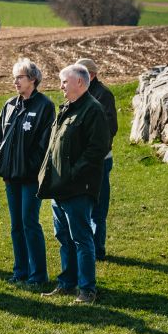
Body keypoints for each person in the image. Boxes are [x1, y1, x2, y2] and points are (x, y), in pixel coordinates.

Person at [38, 64, 111, 304]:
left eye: (64, 82)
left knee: (81, 238)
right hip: (59, 187)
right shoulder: (67, 108)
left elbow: (96, 150)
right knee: (63, 237)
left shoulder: (93, 110)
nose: (61, 86)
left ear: (80, 83)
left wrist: (71, 174)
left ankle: (87, 289)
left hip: (78, 188)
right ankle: (67, 283)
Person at [0, 58, 55, 286]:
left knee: (30, 223)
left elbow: (45, 144)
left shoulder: (45, 106)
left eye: (20, 77)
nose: (15, 82)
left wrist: (30, 166)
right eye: (14, 77)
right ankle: (20, 272)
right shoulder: (9, 105)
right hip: (10, 176)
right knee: (16, 225)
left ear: (33, 80)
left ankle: (38, 276)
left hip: (30, 178)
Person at [75, 58, 118, 262]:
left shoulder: (104, 95)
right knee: (85, 205)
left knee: (98, 208)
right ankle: (87, 247)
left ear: (91, 75)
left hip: (100, 160)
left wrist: (93, 149)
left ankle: (97, 250)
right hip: (82, 159)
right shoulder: (80, 93)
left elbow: (111, 128)